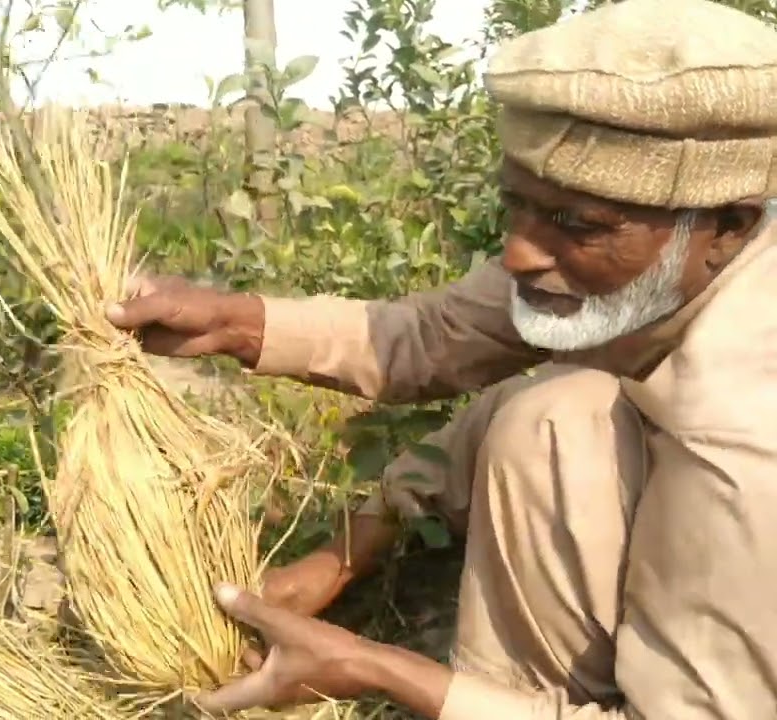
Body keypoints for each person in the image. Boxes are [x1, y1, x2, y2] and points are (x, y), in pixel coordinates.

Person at [108, 0, 777, 716]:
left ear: (728, 226)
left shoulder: (747, 436)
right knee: (554, 414)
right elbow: (433, 338)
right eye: (518, 206)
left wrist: (376, 668)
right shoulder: (636, 271)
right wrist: (234, 324)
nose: (519, 253)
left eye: (576, 225)